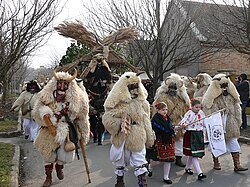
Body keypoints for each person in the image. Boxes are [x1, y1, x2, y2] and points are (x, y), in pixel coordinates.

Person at [32, 68, 90, 187]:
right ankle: (48, 176)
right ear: (55, 84)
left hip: (66, 129)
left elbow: (82, 115)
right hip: (48, 129)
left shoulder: (76, 99)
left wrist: (84, 131)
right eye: (59, 83)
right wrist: (47, 116)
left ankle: (59, 166)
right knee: (47, 154)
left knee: (64, 154)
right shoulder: (46, 96)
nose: (62, 86)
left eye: (65, 84)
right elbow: (37, 111)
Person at [102, 72, 155, 187]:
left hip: (138, 134)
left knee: (140, 158)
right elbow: (107, 118)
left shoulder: (143, 103)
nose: (135, 90)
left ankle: (142, 182)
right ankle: (119, 180)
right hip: (122, 135)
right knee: (120, 159)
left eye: (137, 86)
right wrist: (120, 123)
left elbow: (146, 119)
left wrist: (149, 136)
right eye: (132, 87)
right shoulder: (117, 103)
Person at [202, 73, 248, 172]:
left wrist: (238, 119)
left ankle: (237, 164)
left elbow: (237, 106)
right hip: (218, 122)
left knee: (233, 142)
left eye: (226, 85)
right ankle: (216, 162)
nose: (224, 87)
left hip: (231, 122)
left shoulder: (231, 95)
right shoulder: (213, 96)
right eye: (222, 85)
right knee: (216, 141)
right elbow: (208, 108)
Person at [146, 102, 175, 184]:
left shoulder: (167, 118)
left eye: (166, 109)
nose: (165, 111)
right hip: (160, 141)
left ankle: (166, 177)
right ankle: (150, 167)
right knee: (158, 161)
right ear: (158, 110)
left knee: (168, 159)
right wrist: (170, 130)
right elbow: (158, 129)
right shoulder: (155, 119)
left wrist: (175, 128)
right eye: (163, 110)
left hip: (169, 141)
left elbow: (170, 128)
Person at [179, 99, 207, 180]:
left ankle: (187, 168)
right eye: (196, 107)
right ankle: (200, 173)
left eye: (199, 107)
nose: (198, 109)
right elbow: (183, 121)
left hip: (198, 135)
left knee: (193, 154)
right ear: (192, 107)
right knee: (194, 155)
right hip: (191, 134)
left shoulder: (201, 113)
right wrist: (183, 124)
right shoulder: (189, 113)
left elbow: (205, 123)